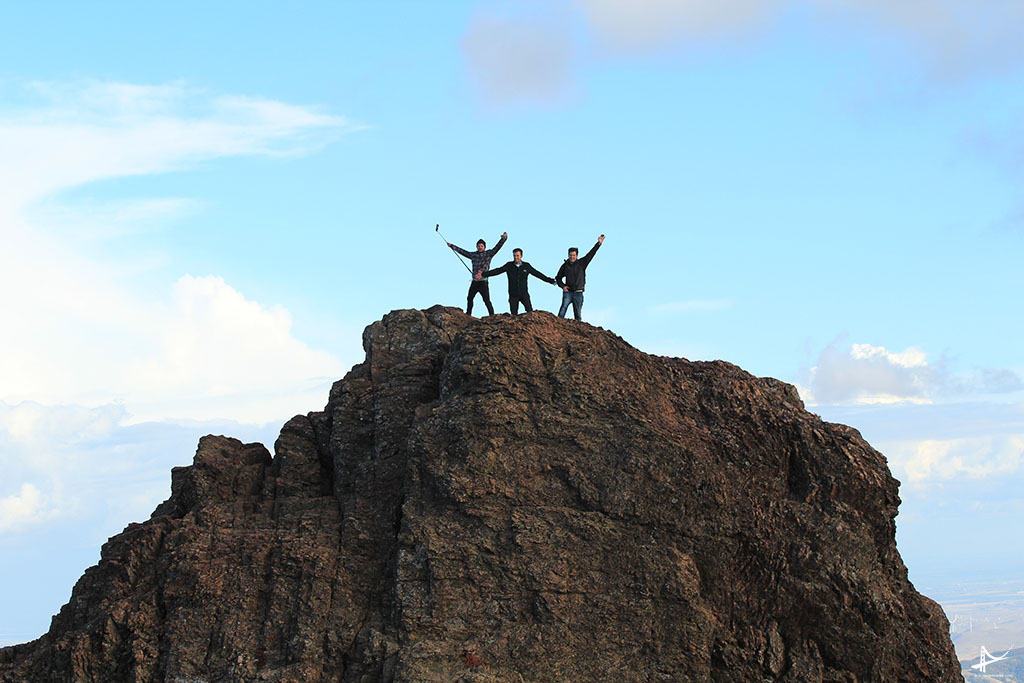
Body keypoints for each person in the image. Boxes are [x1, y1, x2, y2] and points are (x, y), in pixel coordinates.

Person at [478, 248, 557, 315]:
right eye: (514, 256)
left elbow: (538, 274)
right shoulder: (509, 265)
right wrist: (484, 274)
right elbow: (498, 271)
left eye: (517, 256)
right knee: (514, 315)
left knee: (530, 312)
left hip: (524, 293)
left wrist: (550, 280)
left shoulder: (526, 266)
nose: (516, 257)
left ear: (521, 256)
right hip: (513, 294)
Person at [449, 232, 507, 316]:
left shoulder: (488, 254)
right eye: (478, 246)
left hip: (483, 281)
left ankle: (492, 315)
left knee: (486, 300)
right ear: (477, 247)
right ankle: (468, 314)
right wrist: (452, 246)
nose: (480, 247)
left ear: (484, 247)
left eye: (481, 246)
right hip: (475, 281)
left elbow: (497, 247)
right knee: (469, 298)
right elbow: (463, 252)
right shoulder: (473, 255)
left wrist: (503, 238)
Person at [555, 234, 604, 321]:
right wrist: (563, 286)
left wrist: (598, 244)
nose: (572, 257)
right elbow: (558, 277)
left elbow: (591, 254)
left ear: (577, 255)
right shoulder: (565, 266)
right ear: (568, 255)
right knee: (563, 310)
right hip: (568, 292)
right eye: (570, 255)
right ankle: (557, 326)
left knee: (577, 314)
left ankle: (578, 333)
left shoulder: (582, 263)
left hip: (578, 292)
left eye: (574, 255)